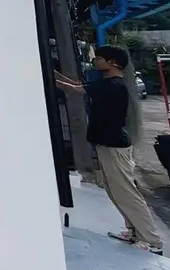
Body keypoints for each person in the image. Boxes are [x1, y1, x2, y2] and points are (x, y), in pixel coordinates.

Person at [56, 45, 163, 255]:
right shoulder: (108, 83)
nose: (95, 61)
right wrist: (53, 74)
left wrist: (45, 75)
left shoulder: (113, 85)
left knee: (126, 192)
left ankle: (152, 240)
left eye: (99, 58)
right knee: (115, 191)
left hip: (114, 147)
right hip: (108, 144)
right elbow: (76, 84)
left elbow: (75, 89)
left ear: (112, 62)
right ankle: (133, 231)